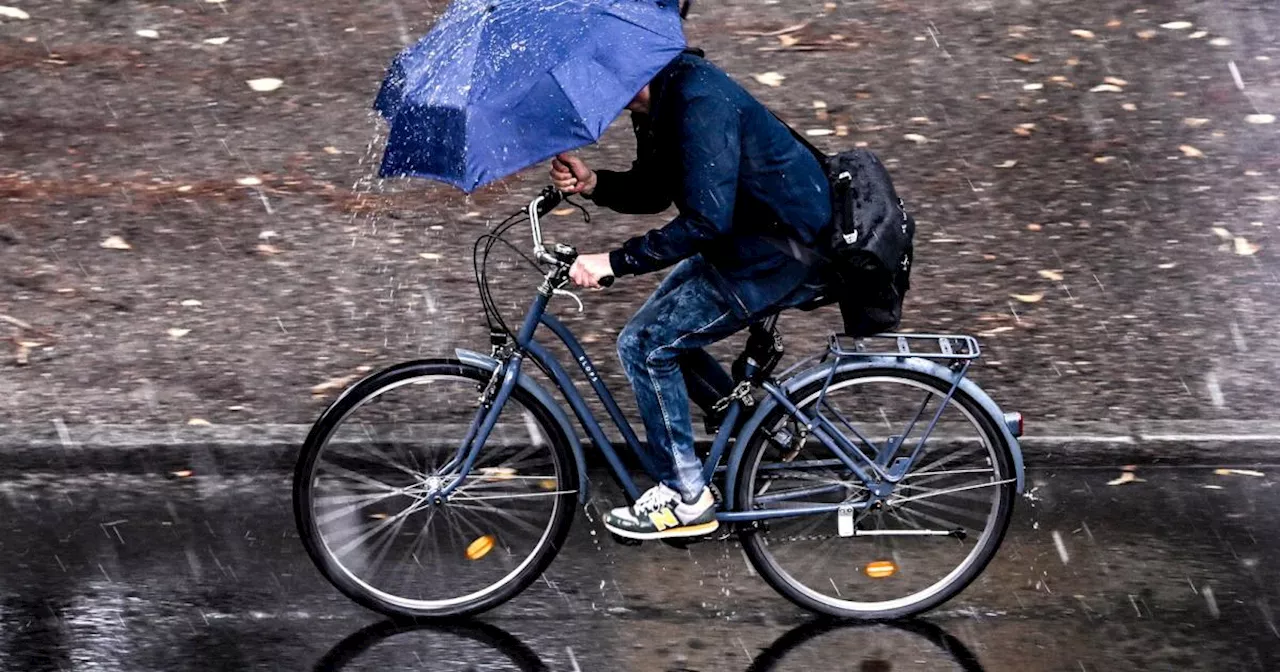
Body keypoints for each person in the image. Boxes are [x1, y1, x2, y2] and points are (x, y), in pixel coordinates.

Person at [548, 48, 831, 540]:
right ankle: (761, 430)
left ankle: (686, 498)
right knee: (644, 338)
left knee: (648, 346)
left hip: (779, 253)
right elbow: (658, 190)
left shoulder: (699, 103)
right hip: (749, 238)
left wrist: (613, 262)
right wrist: (595, 184)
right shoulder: (658, 99)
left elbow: (706, 221)